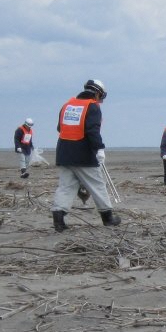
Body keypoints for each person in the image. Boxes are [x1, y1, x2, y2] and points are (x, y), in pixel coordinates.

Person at [50, 80, 121, 231]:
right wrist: (100, 149)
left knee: (65, 186)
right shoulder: (92, 107)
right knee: (97, 185)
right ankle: (107, 217)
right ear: (97, 93)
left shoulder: (67, 105)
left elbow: (59, 128)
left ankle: (58, 219)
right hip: (83, 155)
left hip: (64, 153)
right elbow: (92, 131)